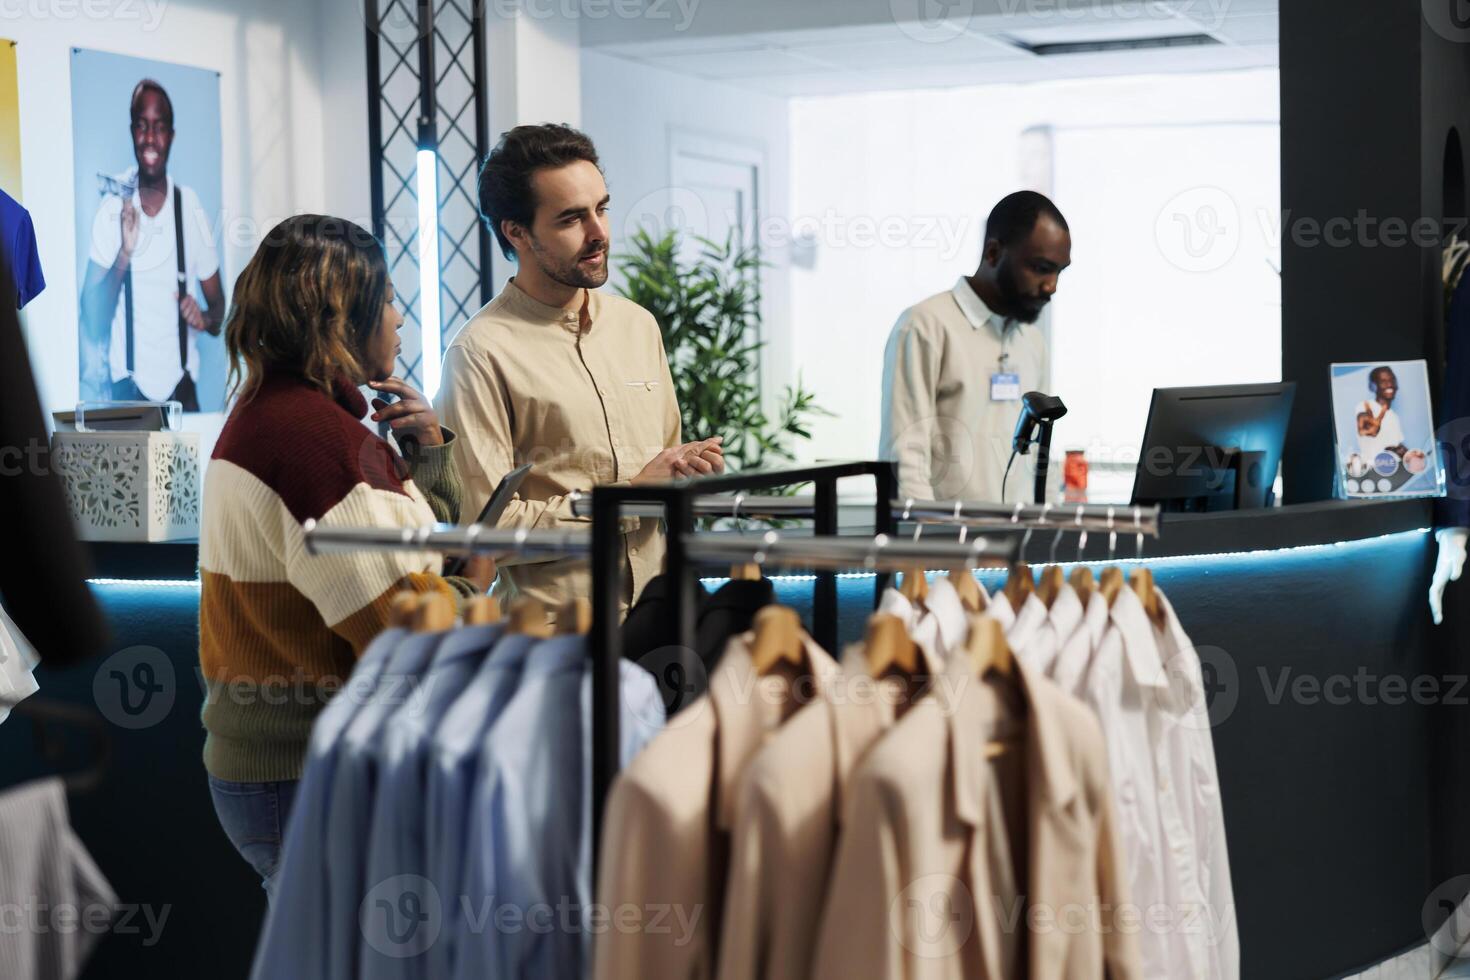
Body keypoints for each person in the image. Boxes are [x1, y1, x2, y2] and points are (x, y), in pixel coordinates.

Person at [197, 215, 493, 898]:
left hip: (280, 775)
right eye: (387, 299)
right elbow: (408, 636)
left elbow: (406, 562)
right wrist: (478, 584)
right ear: (341, 315)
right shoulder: (315, 444)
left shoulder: (278, 415)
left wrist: (428, 457)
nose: (399, 319)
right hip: (306, 777)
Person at [437, 123, 724, 616]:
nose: (600, 233)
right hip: (557, 647)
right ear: (516, 231)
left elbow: (665, 469)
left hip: (664, 624)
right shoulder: (481, 353)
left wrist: (686, 469)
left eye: (602, 208)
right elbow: (487, 530)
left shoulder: (638, 327)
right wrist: (627, 499)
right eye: (572, 219)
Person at [880, 190, 1071, 503]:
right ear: (993, 253)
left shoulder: (1032, 341)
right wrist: (926, 544)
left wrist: (1048, 530)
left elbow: (1041, 454)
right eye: (1040, 268)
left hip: (1021, 543)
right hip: (950, 544)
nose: (1051, 286)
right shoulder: (925, 326)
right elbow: (906, 458)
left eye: (1059, 271)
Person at [80, 78, 225, 411]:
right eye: (142, 126)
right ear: (132, 131)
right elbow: (92, 320)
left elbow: (219, 314)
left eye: (159, 128)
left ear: (171, 135)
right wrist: (124, 253)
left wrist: (203, 317)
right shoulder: (112, 208)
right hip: (125, 396)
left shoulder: (189, 207)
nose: (149, 138)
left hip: (183, 395)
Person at [1355, 365, 1425, 472]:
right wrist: (1378, 421)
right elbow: (1371, 431)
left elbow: (1395, 446)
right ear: (1373, 386)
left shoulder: (1393, 416)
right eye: (1383, 381)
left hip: (1394, 472)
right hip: (1372, 472)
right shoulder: (1364, 406)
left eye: (1392, 380)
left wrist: (1414, 456)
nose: (1390, 384)